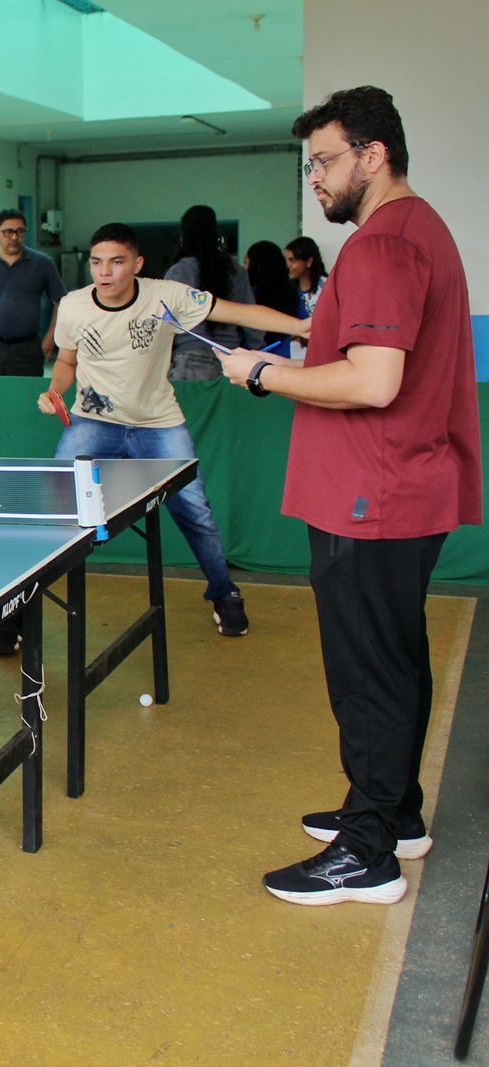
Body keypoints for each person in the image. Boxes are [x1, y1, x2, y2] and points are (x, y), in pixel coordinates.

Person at [218, 87, 480, 906]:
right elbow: (357, 340)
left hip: (374, 493)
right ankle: (394, 812)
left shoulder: (380, 246)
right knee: (394, 660)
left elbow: (373, 378)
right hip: (396, 487)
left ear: (374, 155)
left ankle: (365, 854)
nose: (316, 180)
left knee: (367, 673)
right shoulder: (418, 229)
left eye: (325, 161)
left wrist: (261, 371)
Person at [0, 222, 307, 656]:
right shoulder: (74, 306)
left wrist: (302, 327)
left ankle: (224, 593)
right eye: (97, 262)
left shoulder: (167, 295)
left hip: (158, 423)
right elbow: (66, 361)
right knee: (58, 516)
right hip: (92, 423)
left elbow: (236, 312)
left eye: (117, 262)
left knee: (194, 509)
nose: (105, 272)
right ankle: (20, 612)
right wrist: (54, 391)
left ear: (136, 265)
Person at [0, 209, 67, 377]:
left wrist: (50, 338)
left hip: (28, 347)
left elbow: (62, 303)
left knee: (26, 398)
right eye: (8, 232)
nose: (14, 237)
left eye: (20, 231)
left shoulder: (42, 263)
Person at [163, 206, 262, 380]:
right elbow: (251, 318)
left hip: (188, 359)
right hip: (230, 360)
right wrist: (258, 354)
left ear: (184, 236)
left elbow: (164, 321)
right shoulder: (237, 271)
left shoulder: (179, 271)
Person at [244, 241, 299, 351]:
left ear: (254, 265)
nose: (244, 267)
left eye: (246, 262)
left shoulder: (248, 294)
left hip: (250, 358)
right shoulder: (291, 294)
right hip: (283, 358)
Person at [284, 235, 328, 321]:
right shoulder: (288, 289)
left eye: (292, 260)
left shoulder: (326, 287)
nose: (288, 265)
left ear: (309, 261)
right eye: (287, 260)